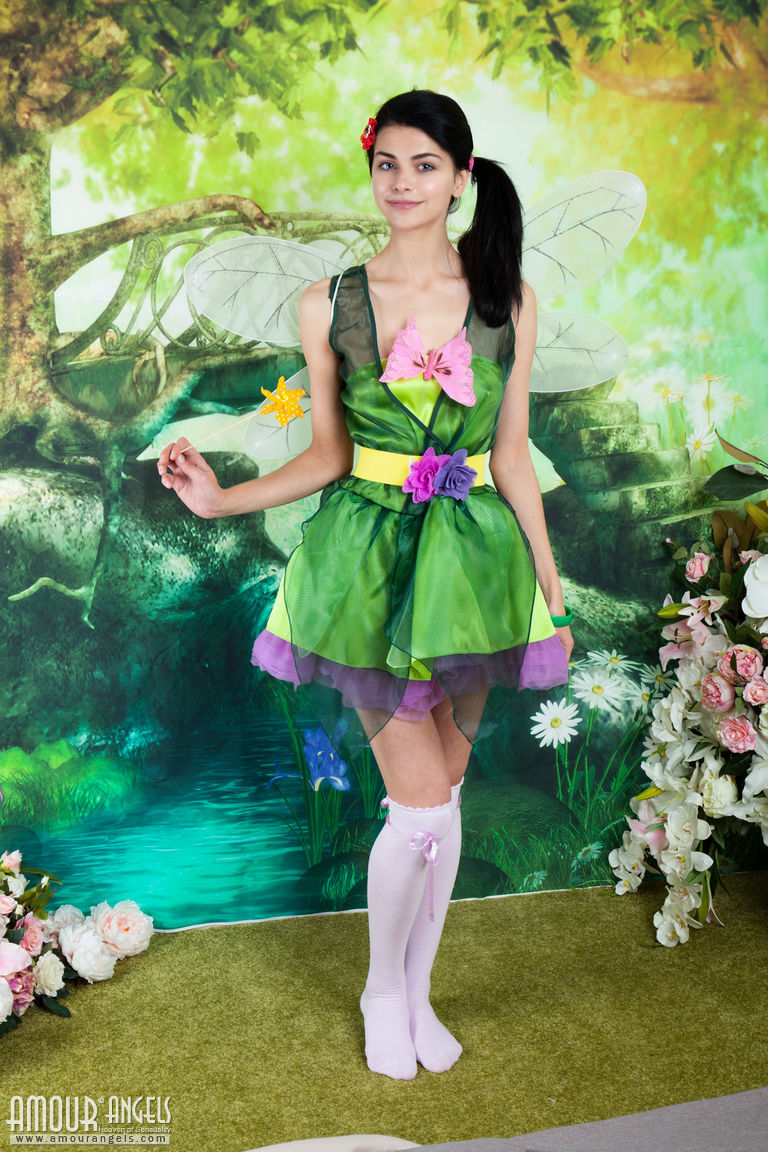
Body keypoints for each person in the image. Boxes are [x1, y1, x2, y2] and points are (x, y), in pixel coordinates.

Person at [158, 89, 573, 1080]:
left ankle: (419, 993)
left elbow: (513, 457)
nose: (402, 182)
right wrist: (224, 502)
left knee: (447, 799)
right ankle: (382, 989)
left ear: (461, 178)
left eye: (425, 165)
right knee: (418, 808)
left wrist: (549, 595)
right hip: (367, 563)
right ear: (372, 169)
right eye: (387, 163)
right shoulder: (329, 302)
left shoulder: (506, 298)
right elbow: (329, 454)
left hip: (475, 566)